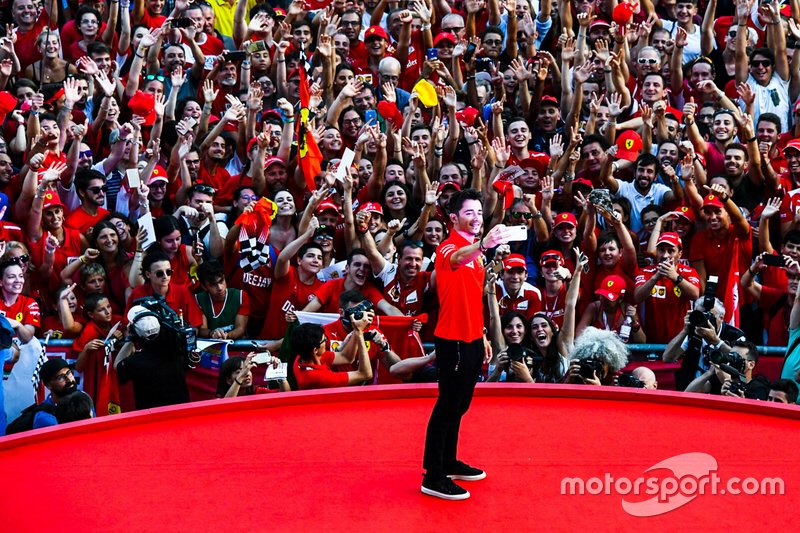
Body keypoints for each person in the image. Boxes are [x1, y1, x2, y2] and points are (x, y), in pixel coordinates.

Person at [422, 188, 513, 501]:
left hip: (473, 338)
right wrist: (484, 243)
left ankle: (448, 461)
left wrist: (483, 334)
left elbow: (471, 297)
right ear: (453, 218)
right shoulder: (448, 248)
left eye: (479, 212)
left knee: (461, 405)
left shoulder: (476, 252)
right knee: (447, 405)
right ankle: (433, 475)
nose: (477, 218)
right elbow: (460, 258)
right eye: (469, 213)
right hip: (453, 341)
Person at [291, 321, 372, 391]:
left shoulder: (302, 357)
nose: (326, 341)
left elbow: (346, 357)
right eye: (324, 340)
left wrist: (356, 330)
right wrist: (360, 335)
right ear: (315, 350)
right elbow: (365, 374)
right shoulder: (320, 377)